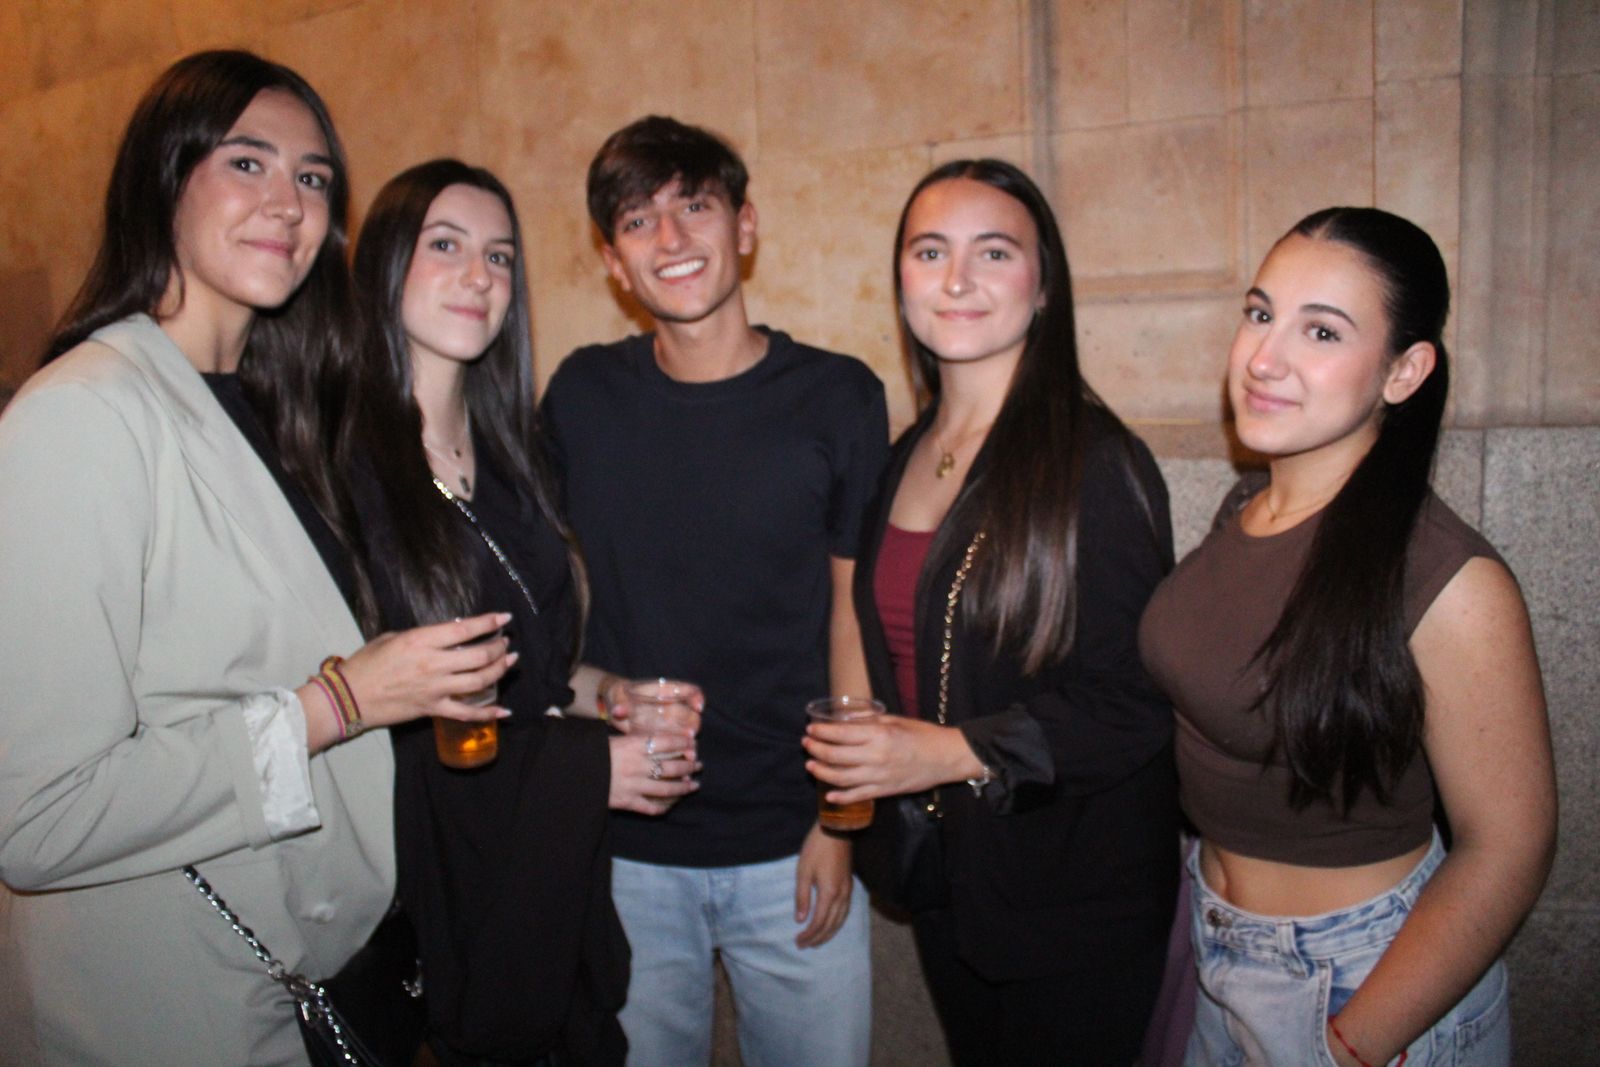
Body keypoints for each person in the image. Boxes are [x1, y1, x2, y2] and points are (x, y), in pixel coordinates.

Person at [0, 51, 511, 1065]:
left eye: (313, 178)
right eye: (247, 163)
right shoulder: (80, 412)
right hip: (163, 999)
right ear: (163, 177)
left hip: (298, 969)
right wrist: (342, 703)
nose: (287, 202)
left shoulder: (272, 412)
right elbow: (39, 814)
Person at [1138, 207, 1557, 1066]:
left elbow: (1511, 845)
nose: (1264, 357)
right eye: (1260, 314)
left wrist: (1356, 1041)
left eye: (1320, 330)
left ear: (1404, 372)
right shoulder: (1243, 510)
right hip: (1216, 946)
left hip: (1359, 977)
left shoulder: (1448, 577)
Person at [802, 159, 1179, 1065]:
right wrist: (842, 808)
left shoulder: (1095, 465)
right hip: (950, 877)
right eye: (930, 251)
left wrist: (943, 751)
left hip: (1071, 894)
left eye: (994, 251)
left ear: (1043, 285)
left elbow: (1135, 702)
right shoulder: (905, 456)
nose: (957, 279)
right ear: (901, 280)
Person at [540, 115, 889, 1066]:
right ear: (612, 261)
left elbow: (851, 618)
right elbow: (531, 587)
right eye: (639, 221)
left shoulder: (838, 396)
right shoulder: (581, 396)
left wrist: (839, 817)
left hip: (793, 839)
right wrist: (595, 689)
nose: (672, 239)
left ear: (745, 225)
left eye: (695, 206)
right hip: (627, 842)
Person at [346, 159, 702, 1065]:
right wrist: (589, 773)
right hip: (433, 911)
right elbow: (366, 731)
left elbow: (533, 671)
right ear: (386, 265)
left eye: (501, 256)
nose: (480, 275)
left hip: (545, 885)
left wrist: (609, 696)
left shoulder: (515, 463)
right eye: (446, 246)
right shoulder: (339, 470)